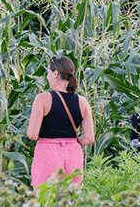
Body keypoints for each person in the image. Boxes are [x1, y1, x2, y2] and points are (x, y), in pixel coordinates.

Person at [26, 56, 95, 187]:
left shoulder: (43, 99)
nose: (47, 77)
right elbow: (90, 138)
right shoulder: (82, 102)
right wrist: (72, 142)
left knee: (45, 199)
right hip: (74, 155)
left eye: (48, 73)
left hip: (48, 152)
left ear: (56, 73)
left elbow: (32, 134)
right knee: (72, 201)